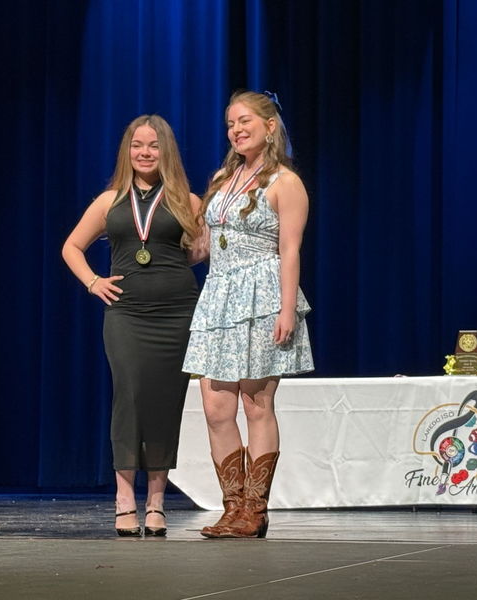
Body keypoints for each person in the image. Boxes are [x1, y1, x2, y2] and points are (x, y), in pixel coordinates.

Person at [62, 115, 207, 537]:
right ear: (127, 151)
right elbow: (71, 246)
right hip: (126, 315)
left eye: (154, 145)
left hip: (178, 312)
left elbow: (200, 252)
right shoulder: (109, 201)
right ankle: (125, 500)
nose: (145, 152)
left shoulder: (188, 201)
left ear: (167, 152)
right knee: (130, 396)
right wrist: (93, 282)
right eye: (137, 145)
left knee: (164, 403)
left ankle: (157, 502)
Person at [183, 90, 314, 538]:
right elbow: (204, 245)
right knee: (216, 408)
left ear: (270, 126)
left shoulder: (285, 182)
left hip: (261, 295)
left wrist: (286, 307)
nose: (236, 131)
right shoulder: (223, 177)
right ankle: (231, 506)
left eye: (245, 122)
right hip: (218, 296)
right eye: (230, 124)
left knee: (256, 405)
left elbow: (290, 249)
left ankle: (253, 511)